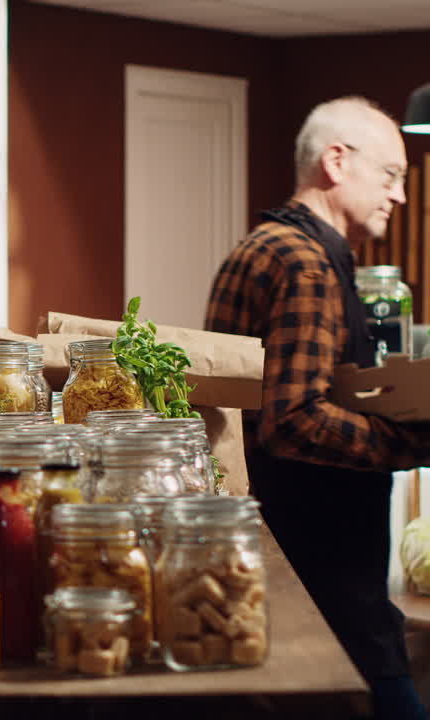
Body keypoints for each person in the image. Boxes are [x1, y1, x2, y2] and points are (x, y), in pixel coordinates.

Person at [205, 97, 430, 719]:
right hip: (324, 571)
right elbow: (294, 422)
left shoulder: (260, 245)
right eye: (391, 175)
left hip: (276, 557)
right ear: (337, 161)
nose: (400, 196)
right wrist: (414, 444)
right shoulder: (305, 262)